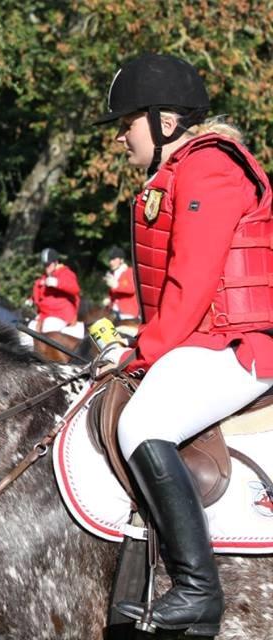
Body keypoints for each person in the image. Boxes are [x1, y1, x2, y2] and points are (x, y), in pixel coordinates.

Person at [94, 52, 273, 636]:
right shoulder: (173, 173)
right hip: (205, 343)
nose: (121, 135)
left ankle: (198, 588)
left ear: (165, 122)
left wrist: (142, 353)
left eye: (128, 122)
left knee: (140, 426)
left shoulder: (209, 168)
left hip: (241, 346)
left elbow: (191, 283)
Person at [28, 248, 81, 334]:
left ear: (56, 262)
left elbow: (75, 289)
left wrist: (58, 283)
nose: (46, 268)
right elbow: (38, 291)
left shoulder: (65, 273)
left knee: (48, 327)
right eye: (45, 265)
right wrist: (31, 299)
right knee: (28, 329)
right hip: (44, 314)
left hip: (61, 314)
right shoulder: (44, 277)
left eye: (48, 264)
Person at [104, 246, 139, 324]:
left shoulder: (129, 272)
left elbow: (132, 289)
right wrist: (108, 299)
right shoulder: (112, 274)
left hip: (127, 311)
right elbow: (113, 293)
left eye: (114, 259)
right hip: (113, 310)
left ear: (122, 260)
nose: (111, 262)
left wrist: (116, 286)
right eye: (110, 259)